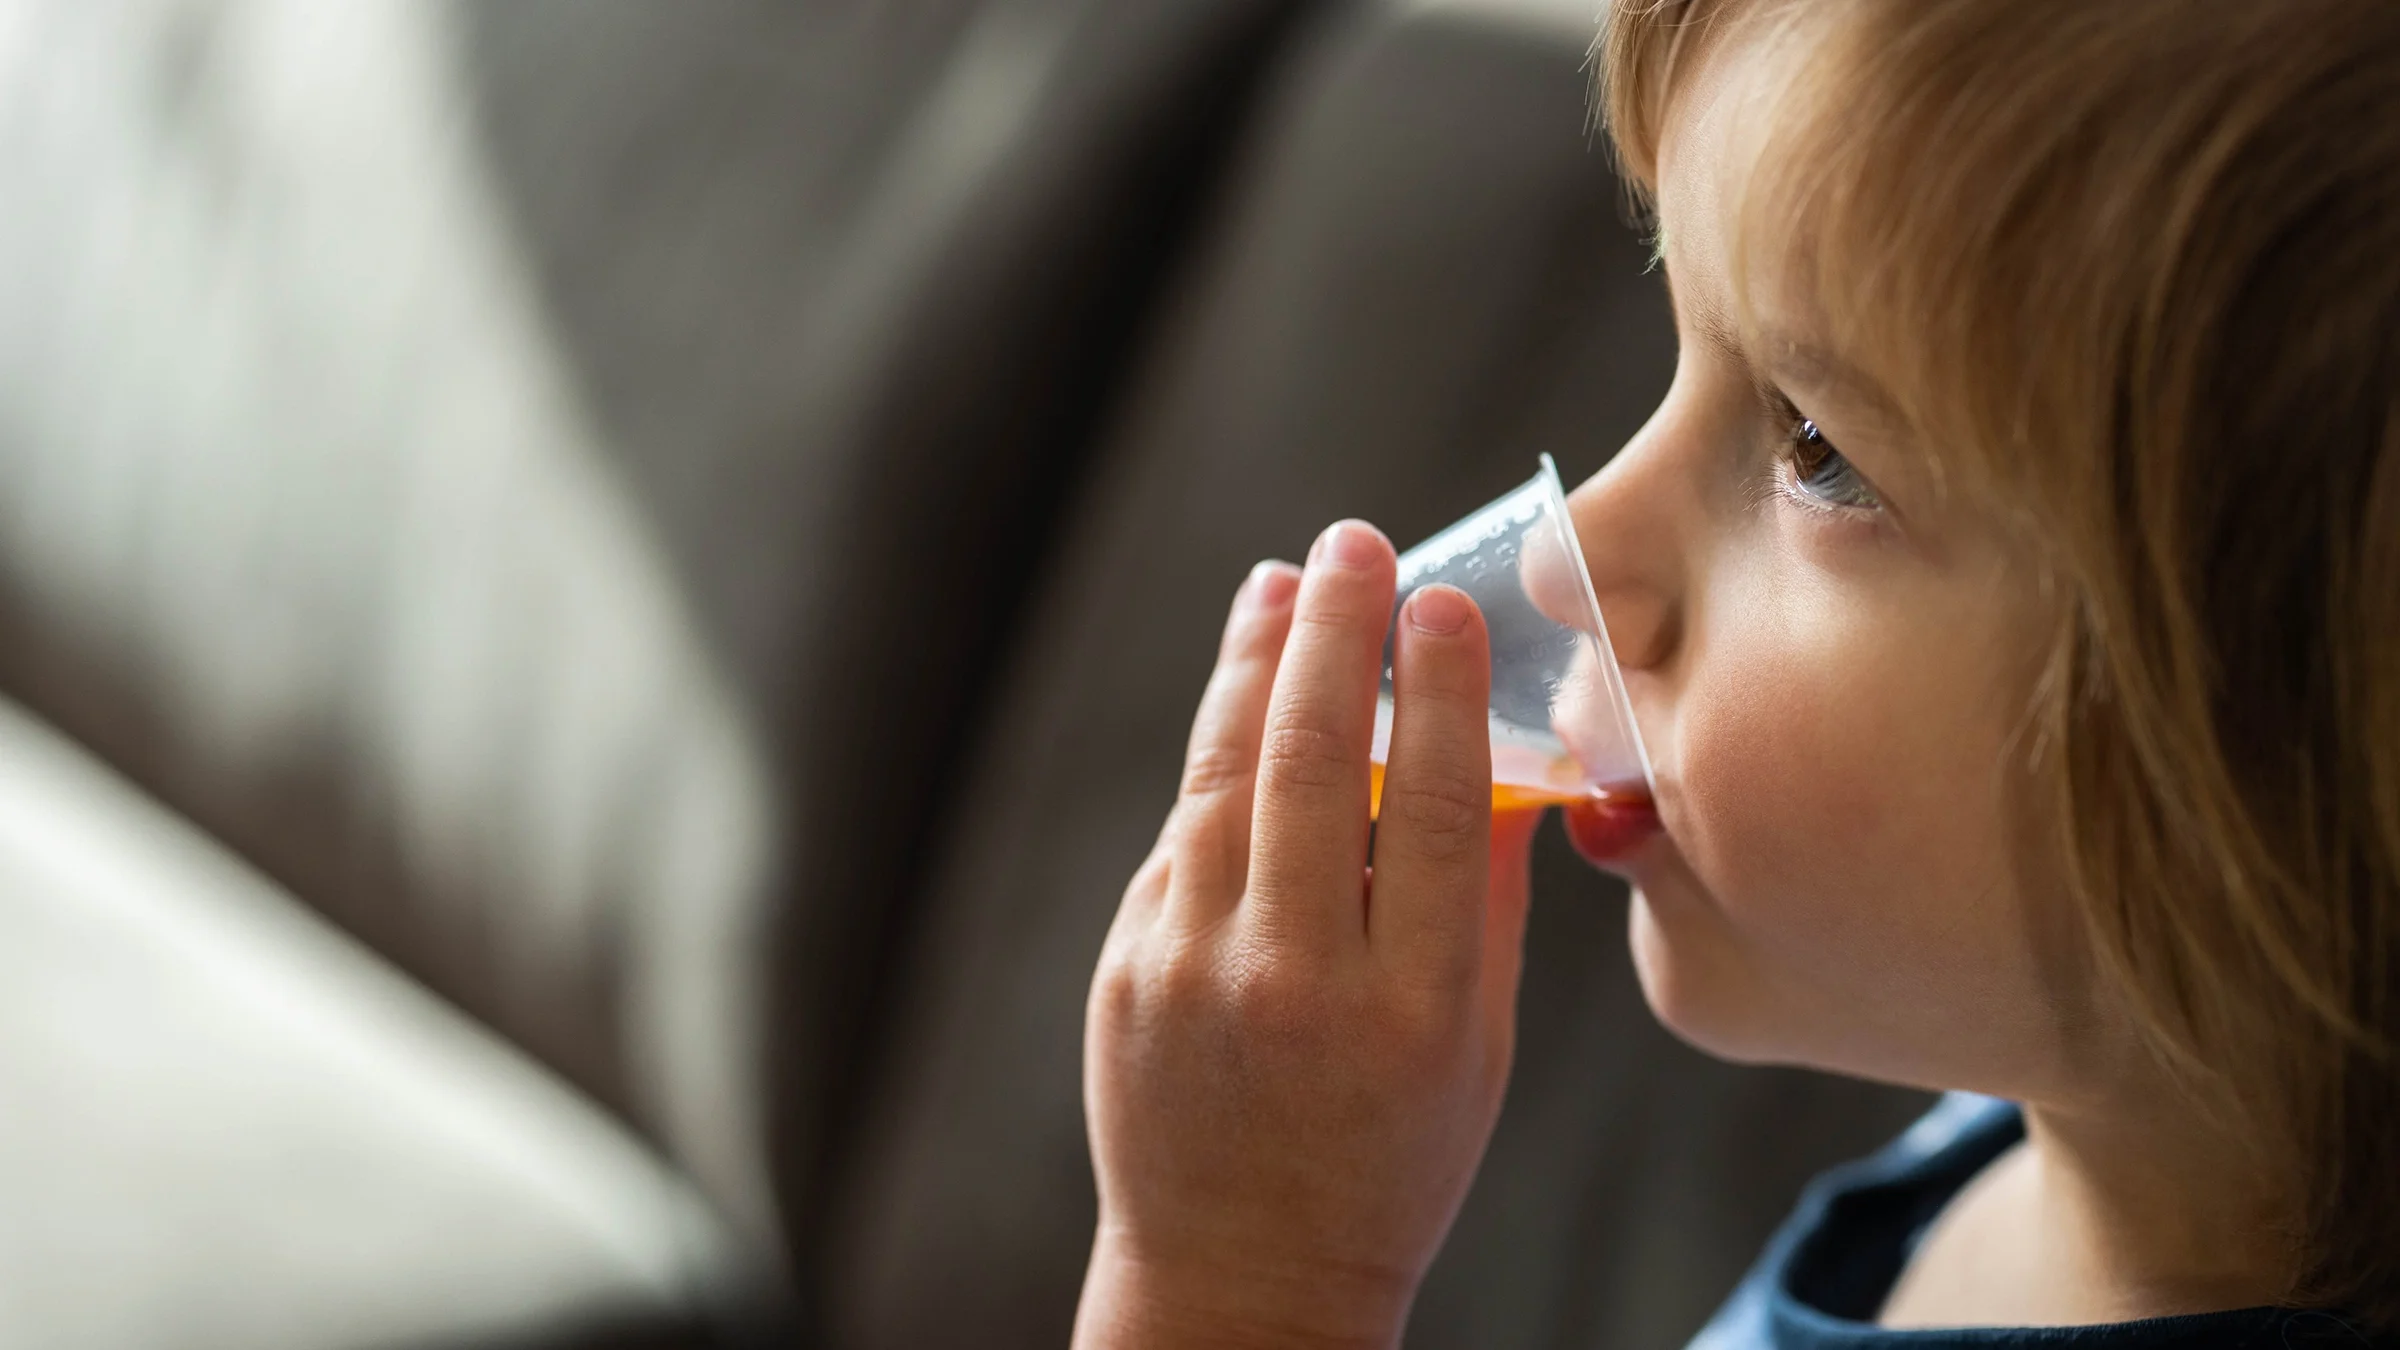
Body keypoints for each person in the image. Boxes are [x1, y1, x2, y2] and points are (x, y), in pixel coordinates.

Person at [1068, 0, 2400, 1345]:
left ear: (2301, 750)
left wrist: (1240, 1283)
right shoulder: (2040, 1130)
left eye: (1815, 448)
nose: (1564, 558)